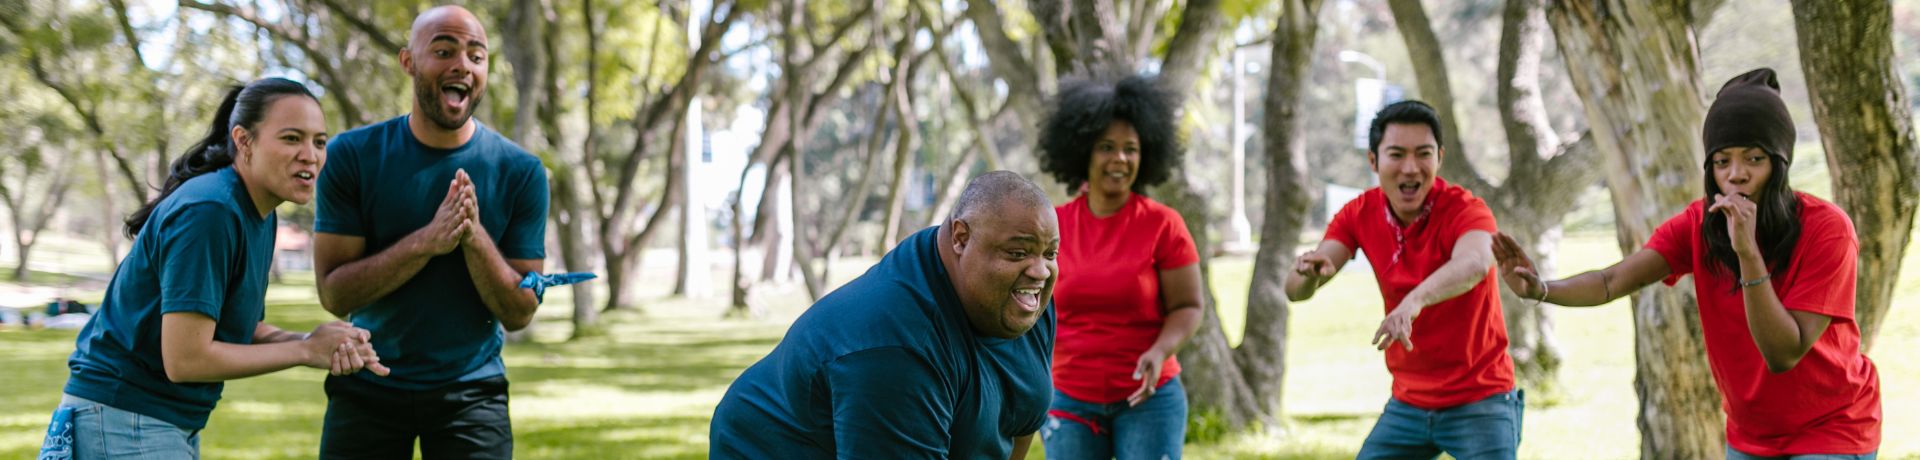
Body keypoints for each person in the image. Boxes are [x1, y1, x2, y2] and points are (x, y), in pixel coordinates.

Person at [1494, 68, 1880, 459]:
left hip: (1831, 427)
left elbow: (1783, 353)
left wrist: (1748, 252)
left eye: (1754, 159)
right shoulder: (1698, 225)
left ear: (1779, 165)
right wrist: (1541, 289)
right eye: (1722, 161)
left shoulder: (1828, 231)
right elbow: (1611, 281)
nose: (1737, 175)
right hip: (1751, 435)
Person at [43, 77, 385, 459]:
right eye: (291, 138)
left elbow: (241, 329)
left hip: (157, 421)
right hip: (125, 418)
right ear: (243, 141)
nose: (310, 155)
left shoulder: (258, 211)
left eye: (319, 142)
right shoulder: (211, 210)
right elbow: (186, 359)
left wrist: (317, 339)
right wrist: (305, 351)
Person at [311, 5, 549, 459]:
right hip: (367, 384)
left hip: (471, 392)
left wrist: (473, 237)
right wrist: (427, 241)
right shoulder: (351, 156)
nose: (463, 64)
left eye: (476, 56)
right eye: (444, 50)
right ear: (408, 62)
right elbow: (335, 294)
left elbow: (519, 313)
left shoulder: (521, 172)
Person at [709, 171, 1059, 459]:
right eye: (1017, 252)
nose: (1040, 271)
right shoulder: (896, 346)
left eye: (1050, 253)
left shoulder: (1025, 301)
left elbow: (1020, 420)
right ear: (960, 238)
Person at [1286, 100, 1522, 459]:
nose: (1410, 168)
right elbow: (1298, 289)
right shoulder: (1358, 213)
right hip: (1409, 403)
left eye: (1423, 154)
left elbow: (1474, 263)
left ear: (1439, 157)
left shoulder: (1465, 209)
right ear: (1373, 160)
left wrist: (1413, 301)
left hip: (1481, 398)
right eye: (1396, 154)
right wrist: (1307, 274)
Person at [1032, 76, 1203, 459]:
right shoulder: (1052, 227)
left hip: (1149, 397)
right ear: (1082, 154)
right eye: (1106, 147)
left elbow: (1189, 306)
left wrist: (1160, 352)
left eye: (1131, 149)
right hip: (1068, 398)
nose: (1120, 159)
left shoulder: (1164, 224)